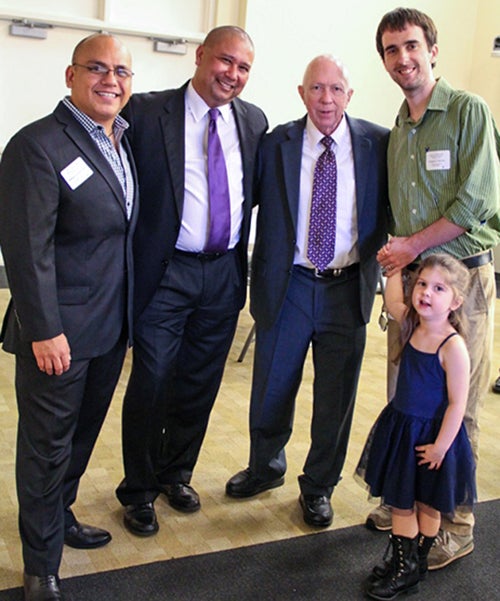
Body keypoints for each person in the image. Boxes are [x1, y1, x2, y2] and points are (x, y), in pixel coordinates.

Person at [115, 25, 268, 536]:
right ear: (201, 56)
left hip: (224, 273)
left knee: (200, 383)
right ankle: (137, 490)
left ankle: (174, 473)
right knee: (153, 379)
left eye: (244, 67)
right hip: (167, 271)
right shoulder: (145, 111)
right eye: (225, 61)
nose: (233, 75)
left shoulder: (253, 121)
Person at [225, 55, 389, 528]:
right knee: (272, 385)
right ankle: (265, 467)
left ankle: (318, 487)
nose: (326, 99)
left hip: (347, 287)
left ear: (349, 96)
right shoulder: (277, 142)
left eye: (336, 89)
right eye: (317, 89)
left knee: (336, 399)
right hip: (289, 284)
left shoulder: (377, 143)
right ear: (302, 93)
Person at [0, 34, 136, 601]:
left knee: (79, 439)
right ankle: (40, 566)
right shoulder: (37, 145)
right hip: (57, 334)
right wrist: (44, 328)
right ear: (70, 75)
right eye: (97, 69)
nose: (111, 80)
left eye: (121, 71)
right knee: (45, 446)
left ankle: (60, 515)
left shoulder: (119, 141)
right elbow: (25, 249)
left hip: (107, 328)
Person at [366, 7, 500, 569]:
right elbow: (398, 217)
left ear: (433, 50)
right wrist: (397, 274)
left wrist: (409, 250)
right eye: (392, 51)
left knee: (458, 401)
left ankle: (456, 524)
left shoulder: (469, 111)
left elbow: (475, 205)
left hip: (463, 276)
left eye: (412, 47)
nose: (404, 59)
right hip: (417, 282)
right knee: (412, 400)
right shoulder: (397, 128)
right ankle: (413, 495)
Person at [356, 254, 476, 600]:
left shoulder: (452, 346)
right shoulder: (412, 322)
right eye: (422, 284)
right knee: (402, 503)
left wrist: (441, 446)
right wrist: (396, 266)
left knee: (426, 504)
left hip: (434, 439)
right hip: (402, 432)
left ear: (455, 301)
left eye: (439, 288)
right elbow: (393, 300)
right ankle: (407, 562)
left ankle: (410, 565)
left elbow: (457, 403)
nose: (426, 292)